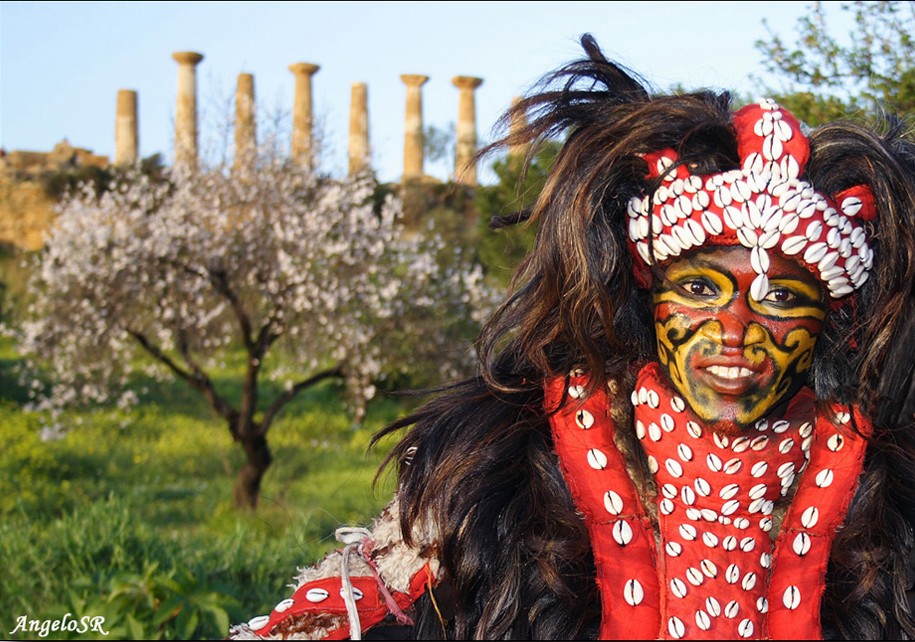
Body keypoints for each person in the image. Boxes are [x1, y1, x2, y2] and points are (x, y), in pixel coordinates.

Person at [229, 35, 915, 640]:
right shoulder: (505, 461)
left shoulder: (884, 483)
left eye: (780, 302)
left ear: (830, 320)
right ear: (649, 297)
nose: (734, 332)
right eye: (699, 291)